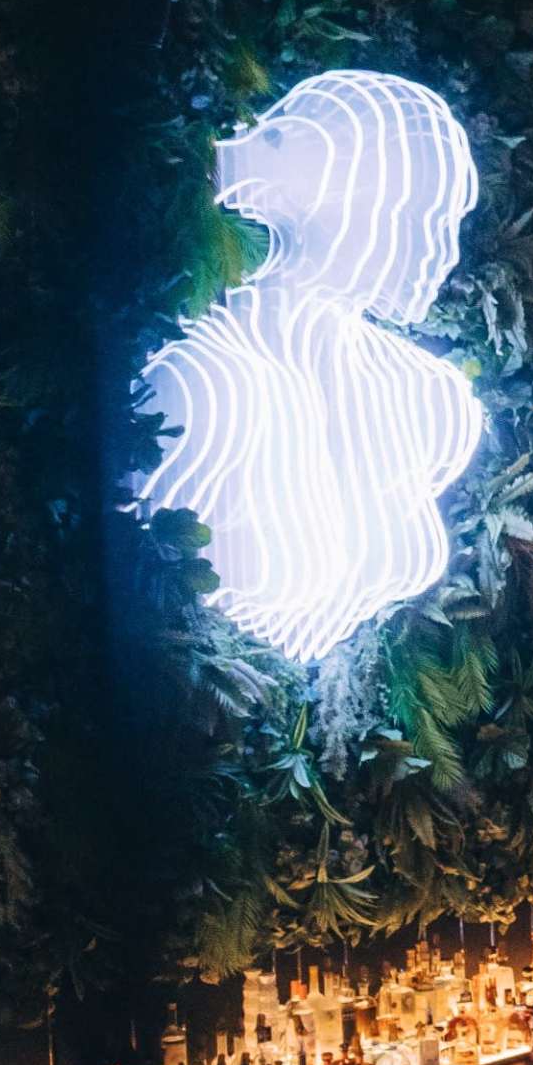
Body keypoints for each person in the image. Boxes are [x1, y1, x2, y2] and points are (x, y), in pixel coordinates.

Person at [139, 70, 485, 661]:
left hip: (250, 657)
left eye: (280, 140)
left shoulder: (429, 401)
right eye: (278, 135)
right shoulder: (208, 367)